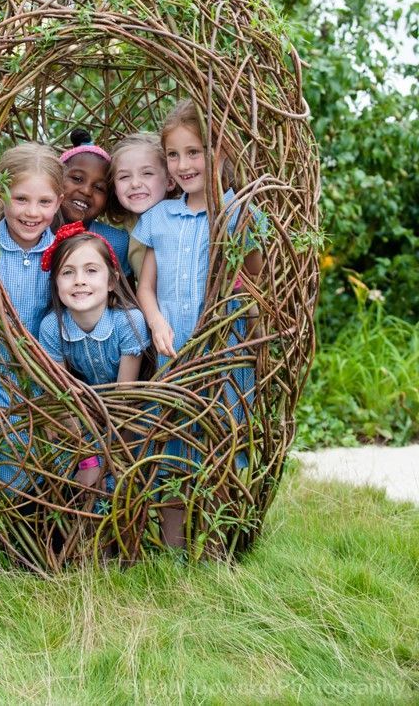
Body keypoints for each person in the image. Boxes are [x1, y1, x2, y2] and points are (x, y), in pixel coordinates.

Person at [133, 99, 263, 547]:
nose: (183, 165)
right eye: (173, 155)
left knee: (221, 443)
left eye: (194, 152)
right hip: (174, 353)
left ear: (220, 151)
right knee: (171, 447)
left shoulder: (240, 214)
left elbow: (253, 280)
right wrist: (155, 322)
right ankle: (174, 551)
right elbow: (145, 287)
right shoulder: (159, 218)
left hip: (224, 353)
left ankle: (215, 549)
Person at [0, 142, 64, 492]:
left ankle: (45, 509)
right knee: (0, 454)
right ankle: (5, 511)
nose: (32, 212)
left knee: (49, 457)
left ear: (59, 202)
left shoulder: (62, 252)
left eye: (44, 202)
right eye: (21, 199)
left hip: (43, 374)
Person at [39, 222, 150, 488]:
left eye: (91, 270)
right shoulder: (52, 327)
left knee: (126, 485)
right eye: (67, 272)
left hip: (129, 422)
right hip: (80, 423)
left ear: (111, 280)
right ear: (55, 282)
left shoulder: (128, 321)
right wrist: (88, 459)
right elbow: (63, 397)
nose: (79, 280)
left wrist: (113, 460)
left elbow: (126, 399)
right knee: (74, 481)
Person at [58, 128, 132, 277]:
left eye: (99, 188)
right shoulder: (34, 231)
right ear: (56, 179)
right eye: (77, 179)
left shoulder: (115, 243)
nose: (86, 191)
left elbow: (126, 291)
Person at [108, 132, 175, 281]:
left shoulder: (181, 222)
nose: (135, 183)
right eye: (124, 176)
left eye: (147, 173)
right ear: (115, 188)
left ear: (170, 181)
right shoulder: (128, 229)